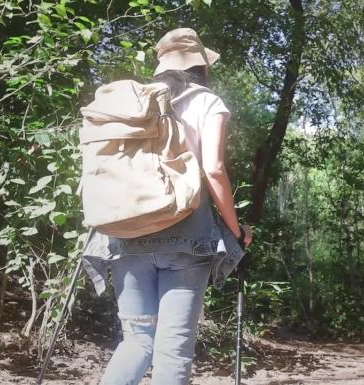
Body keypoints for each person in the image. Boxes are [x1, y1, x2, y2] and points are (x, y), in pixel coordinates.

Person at [80, 27, 253, 385]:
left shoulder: (133, 104)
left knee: (137, 343)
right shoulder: (207, 101)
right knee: (172, 350)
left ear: (161, 65)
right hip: (187, 239)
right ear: (200, 66)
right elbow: (214, 170)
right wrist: (236, 233)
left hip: (126, 234)